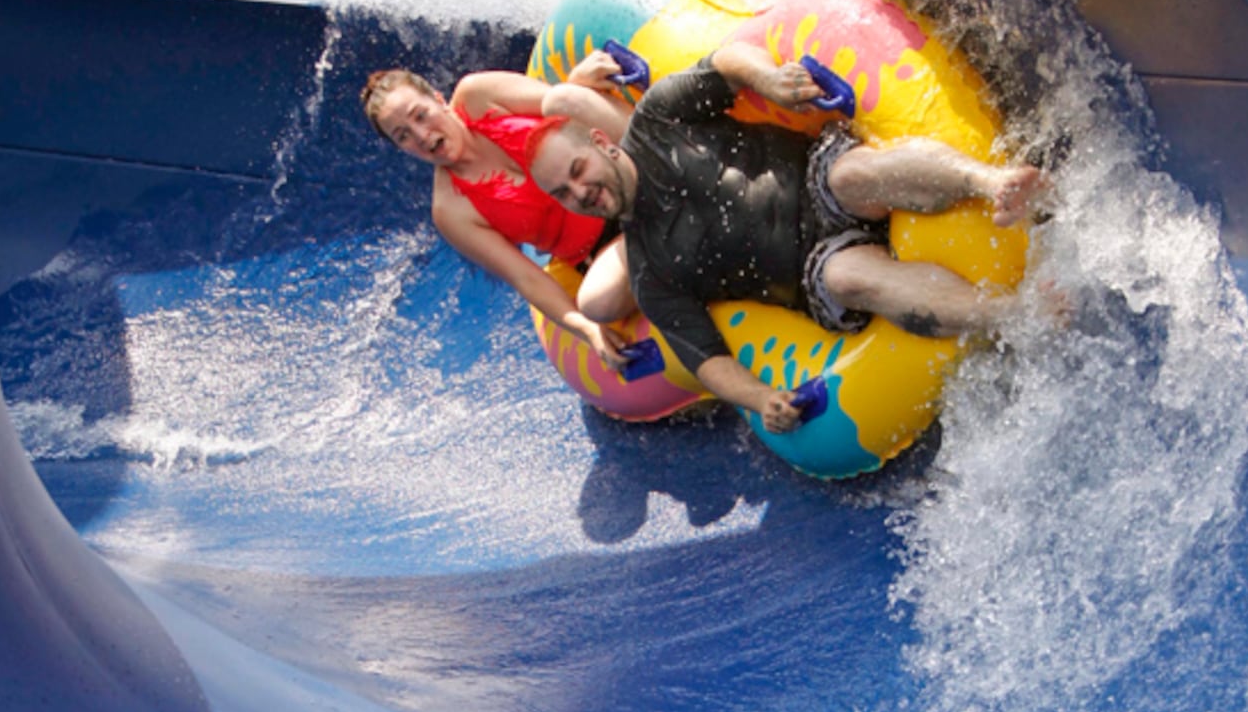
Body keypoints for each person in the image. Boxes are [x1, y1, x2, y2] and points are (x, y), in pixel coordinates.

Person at [527, 41, 1048, 435]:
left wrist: (771, 80)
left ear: (600, 144)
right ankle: (1019, 314)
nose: (580, 191)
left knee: (851, 176)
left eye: (577, 170)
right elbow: (709, 363)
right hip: (813, 269)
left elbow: (725, 63)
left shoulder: (659, 116)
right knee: (849, 275)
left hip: (817, 176)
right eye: (564, 194)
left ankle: (993, 184)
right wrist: (761, 400)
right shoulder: (649, 270)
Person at [362, 52, 638, 369]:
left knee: (565, 96)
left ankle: (667, 150)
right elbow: (526, 277)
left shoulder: (478, 95)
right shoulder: (451, 209)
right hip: (608, 248)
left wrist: (578, 84)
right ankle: (657, 236)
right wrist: (586, 329)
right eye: (403, 136)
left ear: (439, 99)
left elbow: (558, 102)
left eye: (420, 115)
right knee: (597, 304)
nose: (422, 136)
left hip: (616, 174)